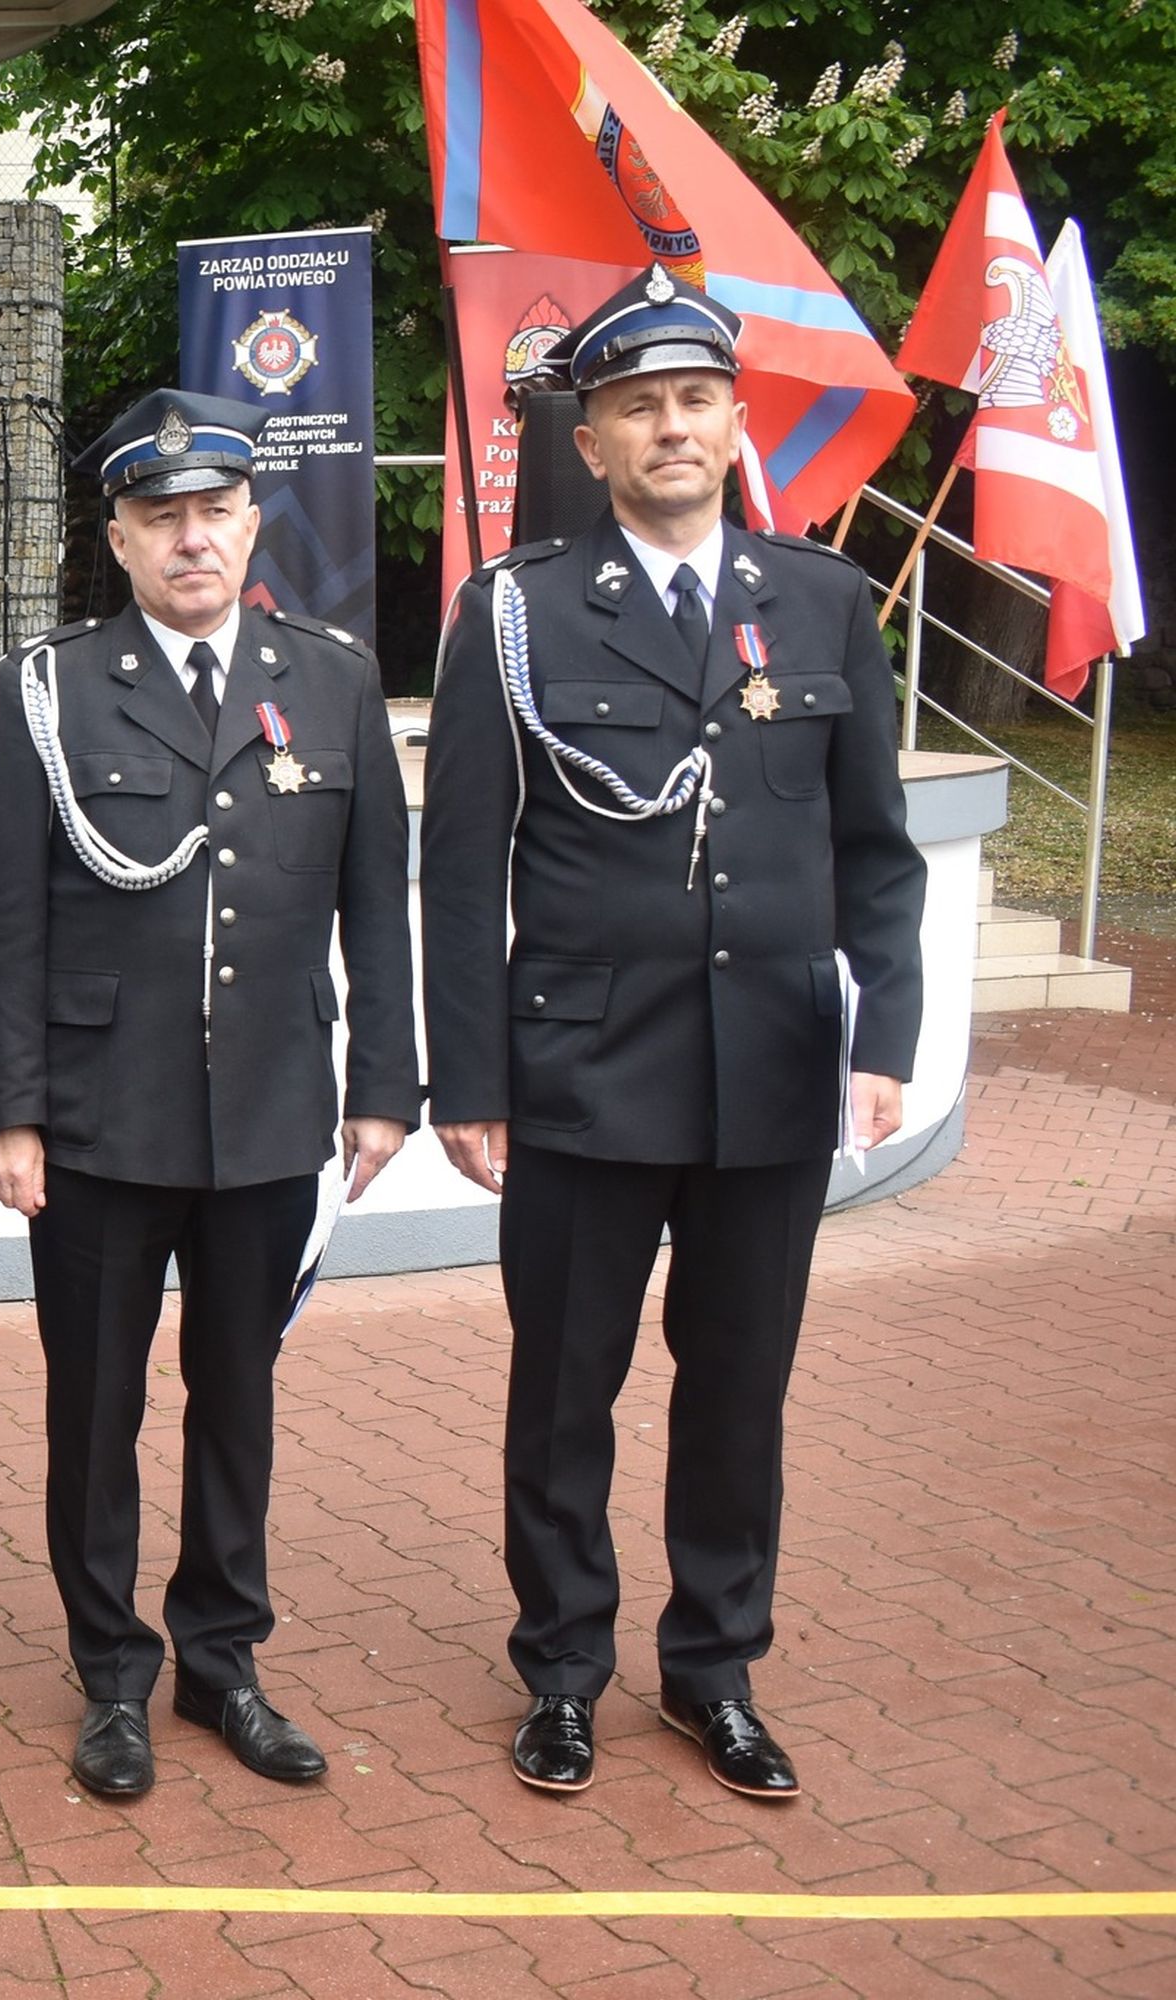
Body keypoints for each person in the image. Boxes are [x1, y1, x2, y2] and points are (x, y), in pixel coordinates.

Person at [418, 265, 926, 1800]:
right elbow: (464, 867)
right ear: (591, 443)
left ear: (735, 420)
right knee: (565, 1389)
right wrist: (469, 1078)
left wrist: (884, 1039)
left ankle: (716, 1669)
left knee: (738, 1389)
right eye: (638, 408)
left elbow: (875, 848)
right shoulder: (516, 612)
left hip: (770, 1067)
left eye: (696, 400)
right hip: (583, 1068)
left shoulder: (821, 601)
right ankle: (564, 1670)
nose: (672, 428)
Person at [0, 390, 417, 1801]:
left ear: (252, 523)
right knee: (93, 1409)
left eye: (214, 511)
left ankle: (222, 1659)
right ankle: (111, 1671)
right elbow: (2, 920)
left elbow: (375, 901)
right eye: (161, 518)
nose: (191, 539)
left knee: (238, 1399)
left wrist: (383, 1084)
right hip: (100, 1116)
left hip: (270, 1108)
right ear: (118, 538)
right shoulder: (48, 689)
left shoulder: (330, 680)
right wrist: (8, 1110)